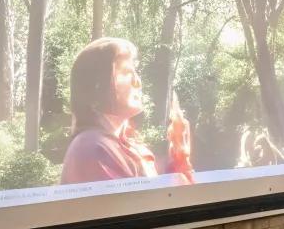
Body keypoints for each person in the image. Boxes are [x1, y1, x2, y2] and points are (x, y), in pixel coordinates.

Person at [61, 37, 193, 185]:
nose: (137, 82)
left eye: (135, 72)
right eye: (125, 72)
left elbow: (162, 198)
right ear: (95, 87)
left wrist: (179, 157)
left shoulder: (128, 147)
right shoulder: (91, 148)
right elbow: (144, 206)